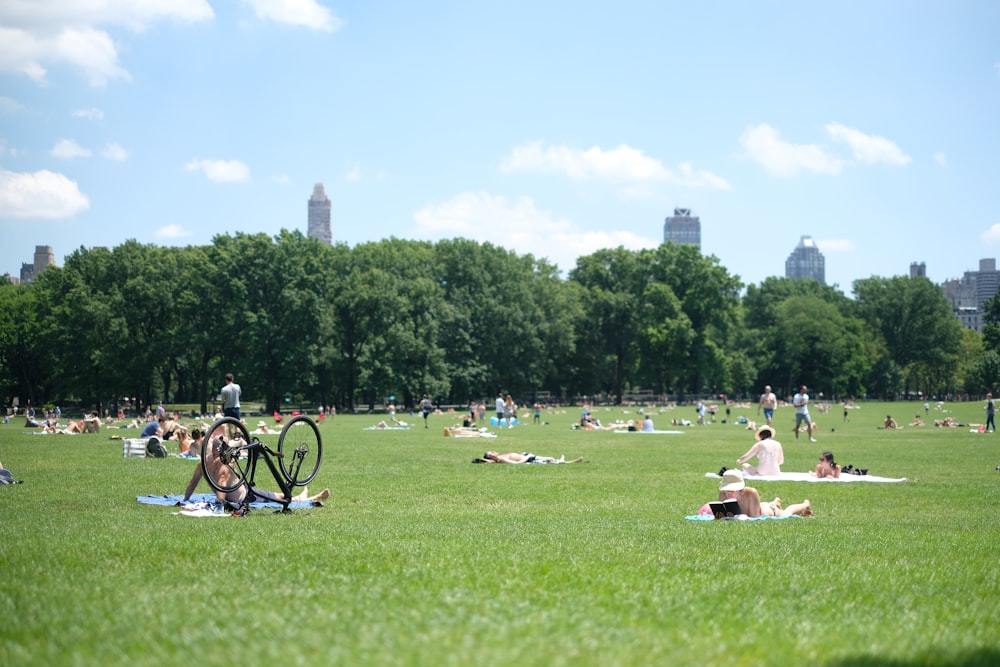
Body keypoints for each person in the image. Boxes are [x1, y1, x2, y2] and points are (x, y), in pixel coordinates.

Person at [182, 430, 329, 506]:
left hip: (242, 491)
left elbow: (192, 483)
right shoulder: (224, 466)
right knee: (280, 497)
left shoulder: (202, 463)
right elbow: (221, 493)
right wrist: (219, 505)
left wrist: (185, 500)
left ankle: (304, 497)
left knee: (278, 495)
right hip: (245, 497)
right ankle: (306, 499)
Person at [716, 469, 811, 518]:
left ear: (740, 489)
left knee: (787, 513)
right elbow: (723, 516)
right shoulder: (723, 493)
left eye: (733, 489)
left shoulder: (751, 493)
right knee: (771, 505)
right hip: (760, 506)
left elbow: (755, 518)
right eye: (727, 488)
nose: (729, 492)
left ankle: (805, 505)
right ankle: (775, 502)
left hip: (770, 511)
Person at [474, 450, 584, 464]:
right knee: (550, 461)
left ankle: (562, 460)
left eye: (492, 451)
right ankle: (570, 462)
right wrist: (528, 457)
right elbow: (517, 464)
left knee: (550, 457)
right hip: (529, 459)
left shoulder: (500, 456)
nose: (493, 453)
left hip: (527, 455)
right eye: (491, 454)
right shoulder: (500, 459)